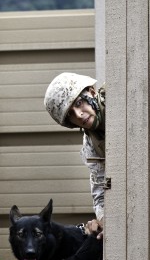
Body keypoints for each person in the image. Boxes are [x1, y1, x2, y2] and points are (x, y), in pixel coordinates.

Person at [44, 72, 105, 240]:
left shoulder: (123, 105)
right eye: (71, 114)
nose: (79, 115)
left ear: (92, 92)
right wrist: (105, 220)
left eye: (79, 103)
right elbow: (100, 189)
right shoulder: (91, 145)